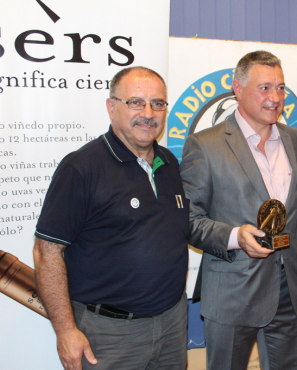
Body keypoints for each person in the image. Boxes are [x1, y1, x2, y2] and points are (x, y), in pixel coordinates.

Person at [33, 66, 189, 370]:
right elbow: (46, 252)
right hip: (109, 334)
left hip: (171, 323)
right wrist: (65, 330)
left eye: (157, 103)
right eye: (136, 102)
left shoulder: (169, 162)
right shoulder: (81, 168)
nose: (148, 112)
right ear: (111, 107)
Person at [180, 50, 297, 370]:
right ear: (237, 89)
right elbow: (188, 220)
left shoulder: (293, 139)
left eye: (280, 87)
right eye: (264, 88)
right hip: (233, 291)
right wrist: (235, 236)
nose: (275, 97)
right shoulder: (205, 145)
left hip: (287, 287)